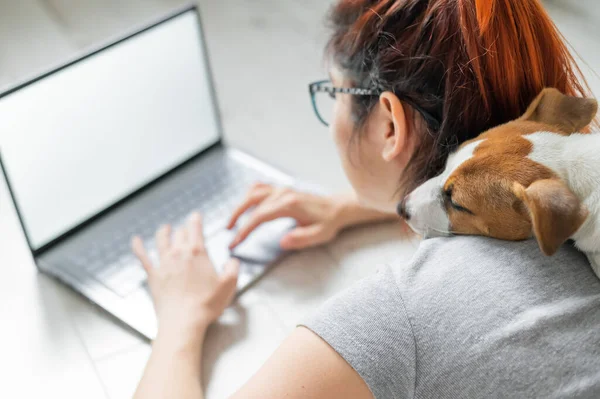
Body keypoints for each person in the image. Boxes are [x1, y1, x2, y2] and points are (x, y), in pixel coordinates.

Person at [132, 1, 600, 398]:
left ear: (389, 124)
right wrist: (357, 206)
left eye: (333, 92)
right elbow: (491, 186)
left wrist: (179, 320)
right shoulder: (575, 175)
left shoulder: (402, 313)